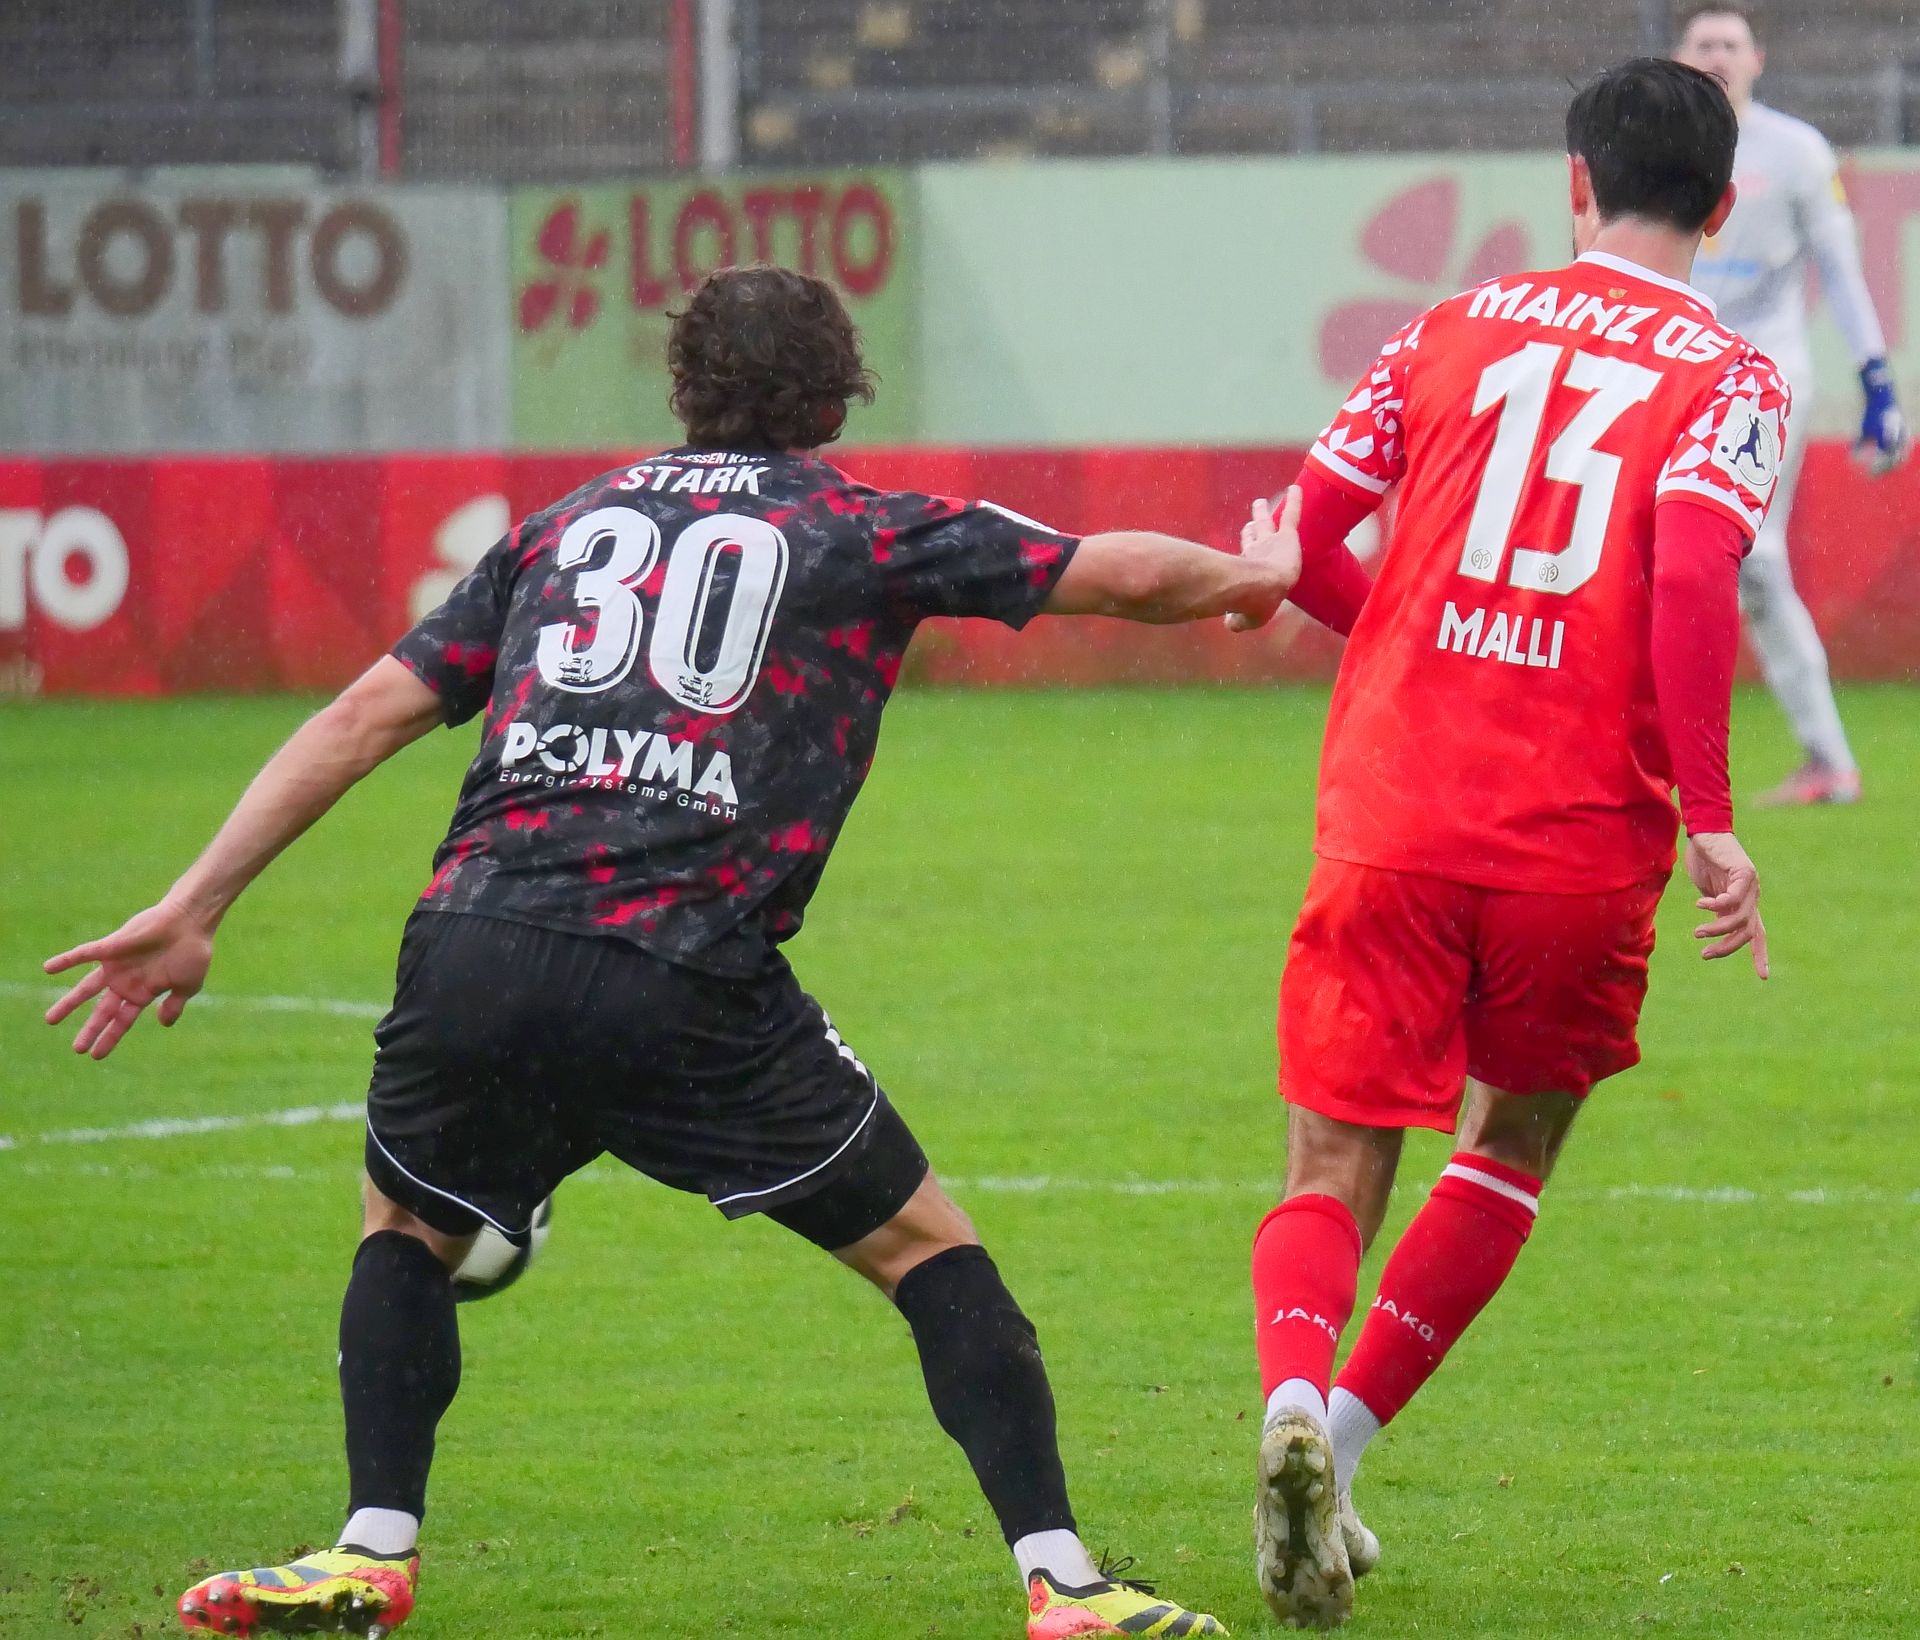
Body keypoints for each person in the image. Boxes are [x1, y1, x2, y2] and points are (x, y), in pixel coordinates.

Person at [42, 266, 1301, 1640]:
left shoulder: (562, 528)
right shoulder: (860, 528)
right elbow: (1120, 571)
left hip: (475, 945)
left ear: (685, 387)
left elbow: (358, 720)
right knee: (926, 1251)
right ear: (836, 397)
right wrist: (1257, 575)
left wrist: (196, 903)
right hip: (683, 972)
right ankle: (1066, 1582)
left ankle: (368, 1548)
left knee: (403, 1227)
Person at [1237, 60, 1783, 1628]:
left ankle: (1292, 1397)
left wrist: (1400, 640)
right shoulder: (1731, 376)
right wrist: (1714, 821)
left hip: (1394, 809)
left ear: (1575, 183)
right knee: (1511, 1143)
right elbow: (1693, 582)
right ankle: (1341, 1453)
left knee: (1335, 1152)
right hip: (1578, 842)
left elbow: (1301, 543)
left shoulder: (1447, 327)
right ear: (1722, 207)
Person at [1673, 4, 1910, 805]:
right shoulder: (1657, 141)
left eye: (1730, 43)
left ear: (1758, 59)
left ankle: (1828, 759)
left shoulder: (1797, 150)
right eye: (1703, 43)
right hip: (1672, 366)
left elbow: (1841, 268)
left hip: (1763, 371)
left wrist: (1876, 377)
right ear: (1680, 56)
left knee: (1754, 557)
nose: (1717, 55)